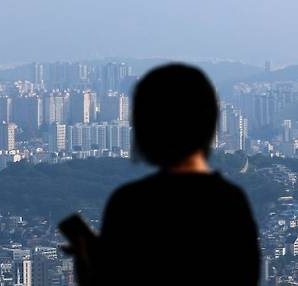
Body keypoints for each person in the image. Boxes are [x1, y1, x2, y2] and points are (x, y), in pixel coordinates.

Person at [63, 63, 260, 285]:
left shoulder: (130, 203)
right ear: (209, 124)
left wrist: (85, 260)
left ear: (145, 128)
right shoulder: (230, 202)